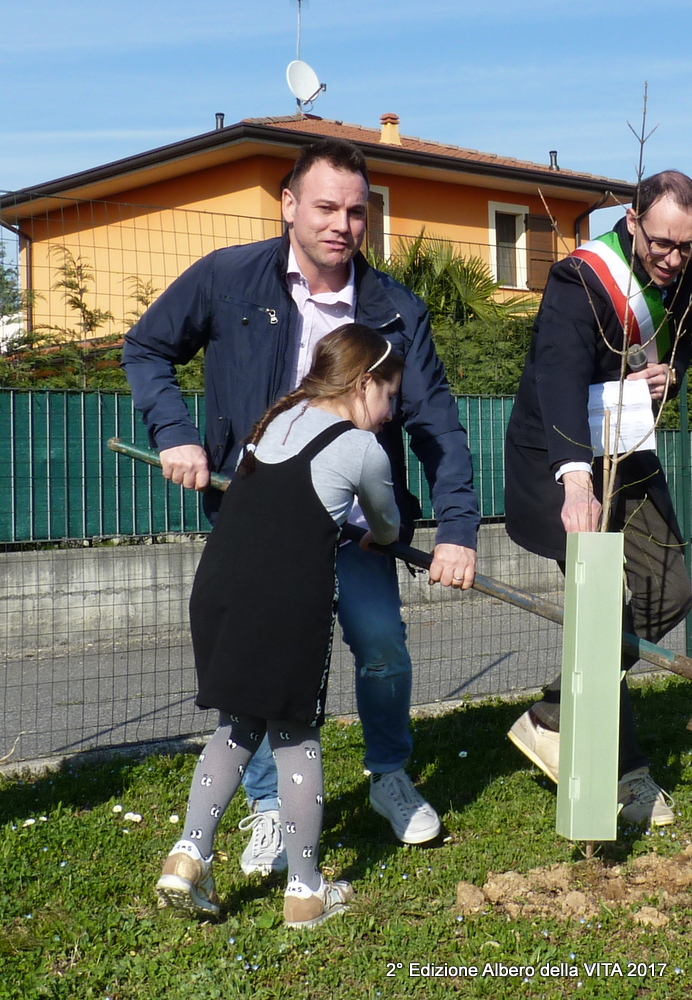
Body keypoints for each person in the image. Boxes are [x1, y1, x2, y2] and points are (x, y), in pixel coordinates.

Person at [122, 137, 480, 874]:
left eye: (356, 211)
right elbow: (147, 348)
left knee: (382, 648)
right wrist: (176, 434)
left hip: (358, 532)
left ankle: (388, 775)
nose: (342, 225)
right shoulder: (227, 279)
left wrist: (457, 528)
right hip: (262, 525)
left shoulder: (395, 310)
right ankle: (266, 809)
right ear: (289, 205)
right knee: (263, 668)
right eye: (325, 207)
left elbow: (436, 424)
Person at [155, 325, 403, 925]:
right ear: (364, 383)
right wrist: (376, 536)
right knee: (295, 735)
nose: (391, 413)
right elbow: (388, 526)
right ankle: (306, 890)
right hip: (285, 604)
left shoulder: (276, 420)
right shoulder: (362, 448)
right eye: (390, 396)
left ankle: (188, 855)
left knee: (237, 723)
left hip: (218, 590)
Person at [504, 170, 692, 827]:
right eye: (661, 243)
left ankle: (554, 713)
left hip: (627, 448)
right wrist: (575, 479)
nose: (672, 259)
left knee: (670, 588)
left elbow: (679, 346)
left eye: (686, 247)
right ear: (633, 221)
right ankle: (626, 775)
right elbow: (556, 376)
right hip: (562, 459)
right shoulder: (580, 279)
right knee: (601, 605)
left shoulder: (684, 275)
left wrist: (667, 379)